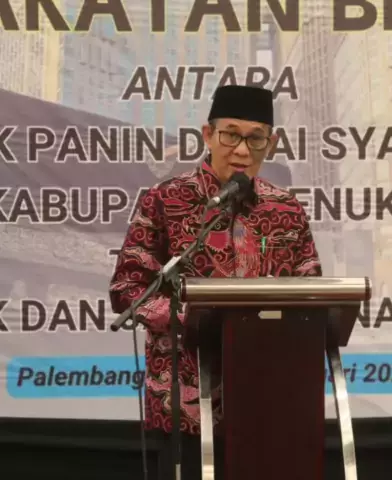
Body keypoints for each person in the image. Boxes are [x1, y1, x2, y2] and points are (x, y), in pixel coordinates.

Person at [109, 84, 322, 480]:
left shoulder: (287, 209)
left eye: (255, 138)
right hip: (186, 406)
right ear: (208, 135)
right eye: (230, 135)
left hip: (267, 403)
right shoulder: (165, 200)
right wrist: (190, 319)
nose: (242, 150)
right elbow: (128, 288)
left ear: (271, 144)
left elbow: (311, 291)